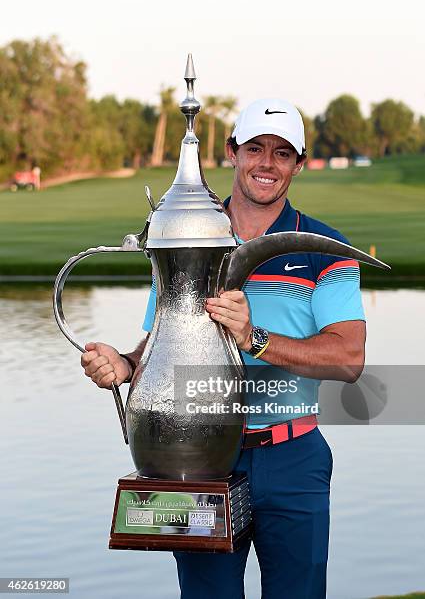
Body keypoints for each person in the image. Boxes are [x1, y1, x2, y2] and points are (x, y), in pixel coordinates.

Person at [81, 98, 366, 599]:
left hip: (291, 455)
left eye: (282, 153)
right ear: (232, 152)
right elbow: (162, 337)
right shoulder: (187, 233)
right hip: (199, 457)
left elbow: (348, 359)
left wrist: (255, 339)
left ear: (299, 164)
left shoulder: (321, 247)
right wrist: (126, 365)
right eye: (255, 148)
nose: (267, 164)